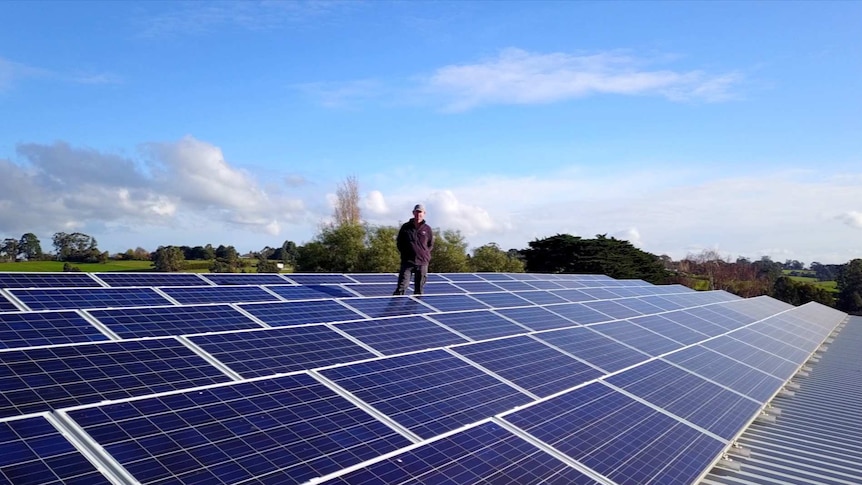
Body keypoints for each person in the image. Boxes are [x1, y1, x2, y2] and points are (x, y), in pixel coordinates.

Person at [393, 203, 434, 295]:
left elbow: (430, 244)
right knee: (402, 287)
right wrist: (406, 254)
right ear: (413, 213)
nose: (418, 214)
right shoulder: (406, 227)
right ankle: (395, 309)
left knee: (419, 290)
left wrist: (424, 253)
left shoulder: (427, 229)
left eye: (420, 212)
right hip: (407, 262)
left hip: (422, 263)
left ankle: (414, 309)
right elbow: (400, 243)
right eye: (416, 212)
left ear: (424, 213)